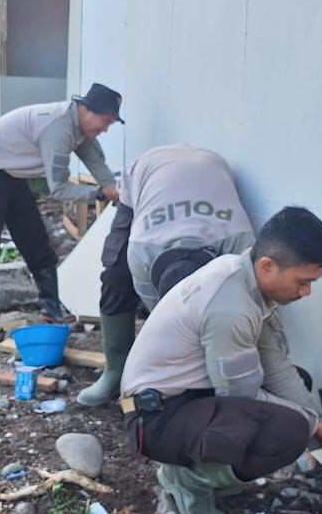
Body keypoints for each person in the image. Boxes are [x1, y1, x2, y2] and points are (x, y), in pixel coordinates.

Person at [117, 206, 322, 514]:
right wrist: (313, 425)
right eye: (303, 282)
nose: (306, 293)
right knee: (288, 430)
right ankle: (188, 481)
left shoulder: (241, 276)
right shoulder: (230, 306)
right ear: (267, 266)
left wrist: (321, 424)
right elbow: (241, 397)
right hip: (155, 420)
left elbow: (275, 367)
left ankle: (204, 466)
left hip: (181, 400)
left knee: (298, 390)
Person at [76, 144, 256, 406]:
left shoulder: (240, 248)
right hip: (149, 170)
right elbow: (163, 319)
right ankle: (115, 370)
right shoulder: (141, 250)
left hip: (210, 166)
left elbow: (248, 305)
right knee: (115, 276)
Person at [0, 83, 124, 344]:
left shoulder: (80, 130)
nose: (104, 129)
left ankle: (52, 310)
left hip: (12, 176)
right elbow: (57, 189)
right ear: (85, 109)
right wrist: (98, 195)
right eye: (105, 121)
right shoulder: (58, 128)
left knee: (36, 242)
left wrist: (113, 188)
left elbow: (97, 163)